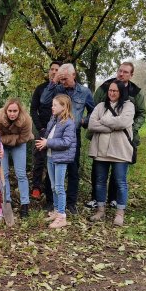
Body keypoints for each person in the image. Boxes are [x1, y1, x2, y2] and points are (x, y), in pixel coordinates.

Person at [87, 62, 146, 209]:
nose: (121, 74)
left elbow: (141, 114)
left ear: (131, 75)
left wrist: (132, 127)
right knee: (98, 172)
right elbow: (94, 111)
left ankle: (114, 199)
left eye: (126, 72)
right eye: (120, 71)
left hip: (122, 138)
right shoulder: (103, 88)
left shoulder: (135, 93)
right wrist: (110, 126)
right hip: (101, 138)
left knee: (118, 173)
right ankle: (96, 198)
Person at [40, 63, 95, 213]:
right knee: (52, 165)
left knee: (73, 170)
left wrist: (83, 121)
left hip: (72, 135)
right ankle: (52, 203)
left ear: (74, 75)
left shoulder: (84, 92)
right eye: (61, 79)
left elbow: (94, 112)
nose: (63, 82)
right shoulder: (57, 88)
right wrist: (54, 81)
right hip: (56, 133)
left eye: (65, 79)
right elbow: (44, 101)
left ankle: (71, 203)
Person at [87, 80, 135, 226]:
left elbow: (123, 123)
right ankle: (100, 210)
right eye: (110, 91)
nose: (112, 93)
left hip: (120, 150)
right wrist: (111, 126)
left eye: (115, 91)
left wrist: (104, 121)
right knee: (100, 181)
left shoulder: (128, 106)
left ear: (121, 92)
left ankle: (120, 213)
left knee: (120, 182)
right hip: (100, 150)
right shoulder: (100, 106)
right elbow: (91, 124)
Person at [36, 94, 77, 229]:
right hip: (50, 156)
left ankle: (62, 217)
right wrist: (44, 143)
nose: (52, 107)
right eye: (52, 104)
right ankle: (56, 210)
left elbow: (66, 142)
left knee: (59, 187)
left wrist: (48, 142)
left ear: (64, 106)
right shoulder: (54, 120)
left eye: (55, 105)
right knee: (53, 186)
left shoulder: (69, 123)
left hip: (61, 158)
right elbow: (49, 136)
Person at [30, 61, 61, 206]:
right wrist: (40, 127)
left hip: (58, 130)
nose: (54, 72)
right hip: (42, 129)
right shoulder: (41, 89)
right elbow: (33, 109)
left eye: (57, 70)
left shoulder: (63, 90)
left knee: (53, 160)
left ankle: (50, 192)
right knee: (39, 159)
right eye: (52, 69)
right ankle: (36, 187)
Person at [0, 98, 34, 217]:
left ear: (19, 111)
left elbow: (24, 138)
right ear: (6, 110)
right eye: (10, 111)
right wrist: (11, 138)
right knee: (4, 174)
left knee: (21, 174)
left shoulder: (26, 119)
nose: (12, 114)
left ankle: (25, 204)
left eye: (15, 111)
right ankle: (6, 201)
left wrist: (9, 138)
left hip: (19, 144)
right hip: (1, 145)